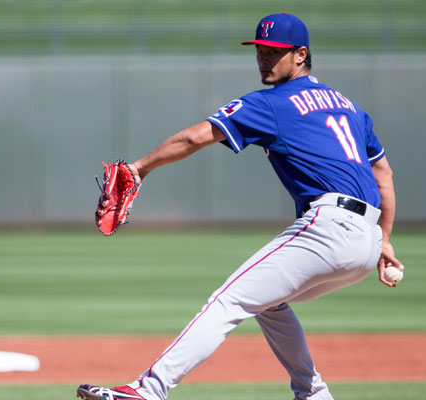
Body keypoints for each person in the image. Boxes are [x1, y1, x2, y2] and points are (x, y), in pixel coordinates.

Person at [77, 12, 402, 400]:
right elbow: (383, 174)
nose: (264, 58)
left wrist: (139, 168)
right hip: (364, 242)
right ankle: (313, 394)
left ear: (301, 55)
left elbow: (197, 137)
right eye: (260, 50)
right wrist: (383, 240)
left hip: (329, 225)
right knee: (268, 302)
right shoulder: (350, 107)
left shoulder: (272, 103)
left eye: (274, 51)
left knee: (227, 301)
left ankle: (149, 390)